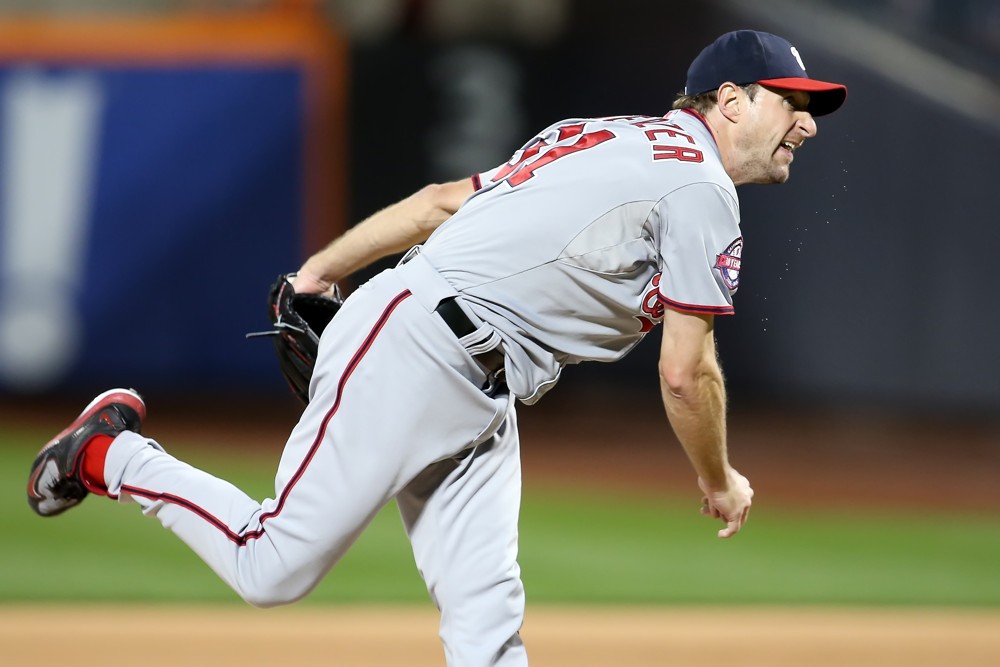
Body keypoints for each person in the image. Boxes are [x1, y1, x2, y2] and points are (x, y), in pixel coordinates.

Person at [28, 30, 846, 667]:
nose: (807, 121)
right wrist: (718, 477)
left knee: (487, 618)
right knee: (270, 565)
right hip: (420, 345)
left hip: (469, 378)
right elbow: (685, 371)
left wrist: (321, 269)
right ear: (731, 101)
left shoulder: (597, 135)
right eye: (791, 101)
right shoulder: (700, 186)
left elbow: (438, 202)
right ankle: (112, 453)